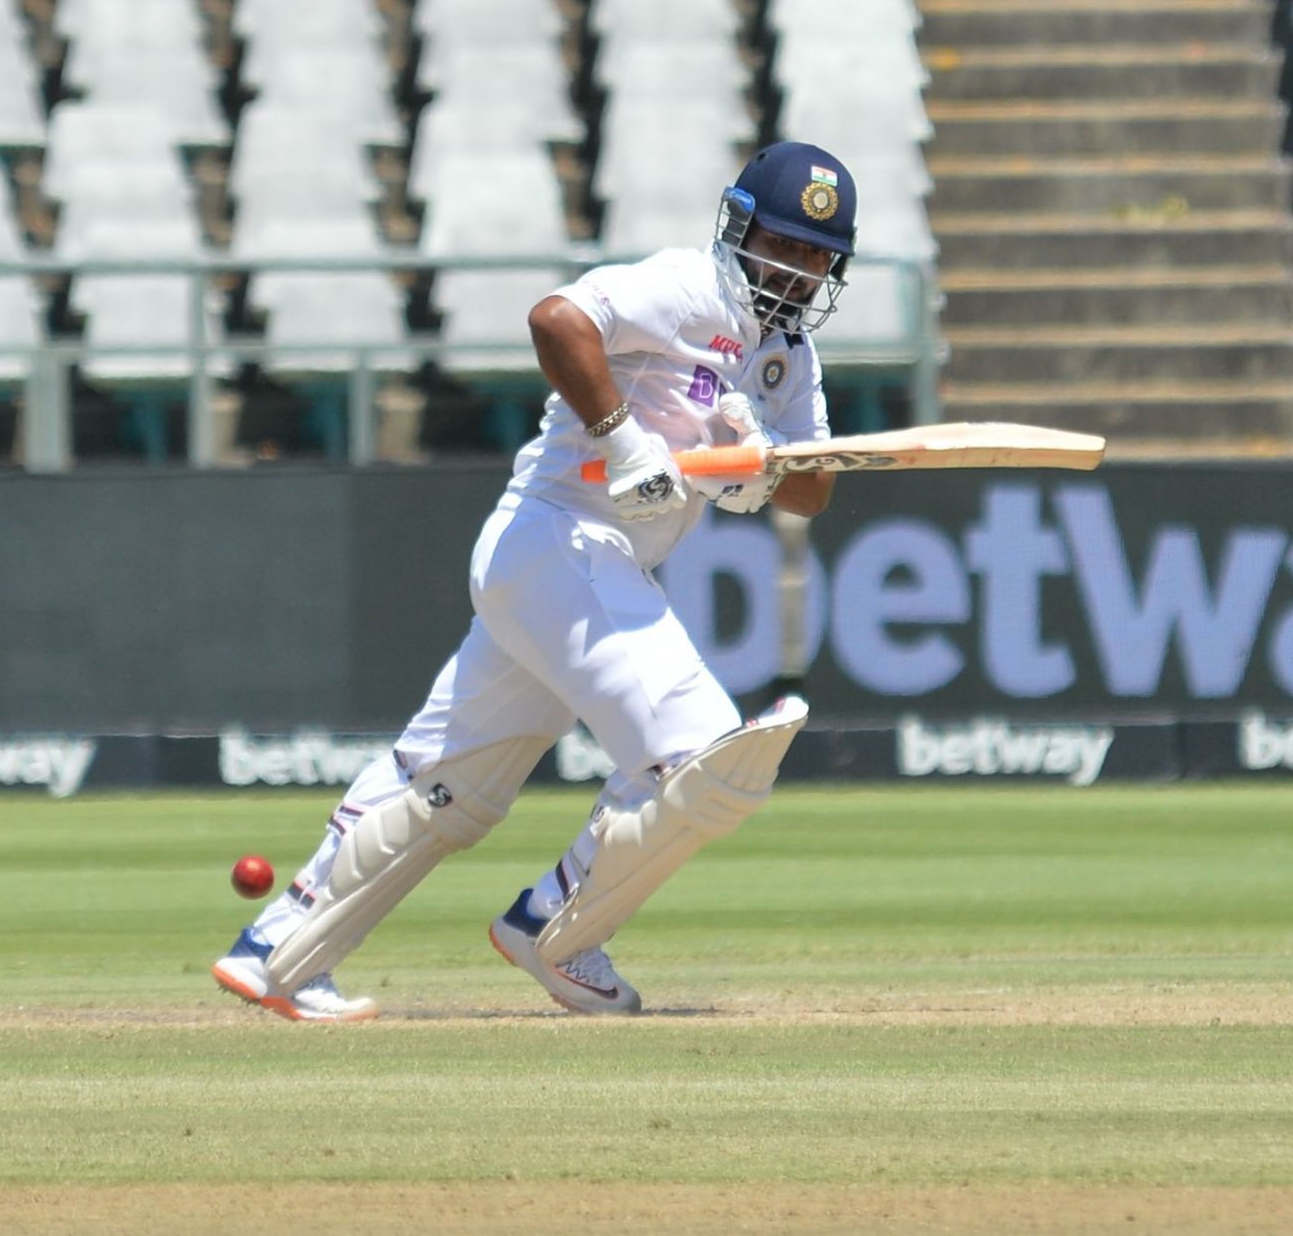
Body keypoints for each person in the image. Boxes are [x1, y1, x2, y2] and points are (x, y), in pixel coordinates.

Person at [212, 141, 858, 1021]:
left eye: (821, 257)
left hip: (581, 570)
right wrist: (625, 439)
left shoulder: (786, 355)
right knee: (705, 756)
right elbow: (557, 320)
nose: (802, 269)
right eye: (787, 245)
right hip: (558, 537)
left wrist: (763, 463)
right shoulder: (681, 288)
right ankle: (554, 930)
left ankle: (276, 950)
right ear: (740, 230)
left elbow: (815, 484)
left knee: (449, 787)